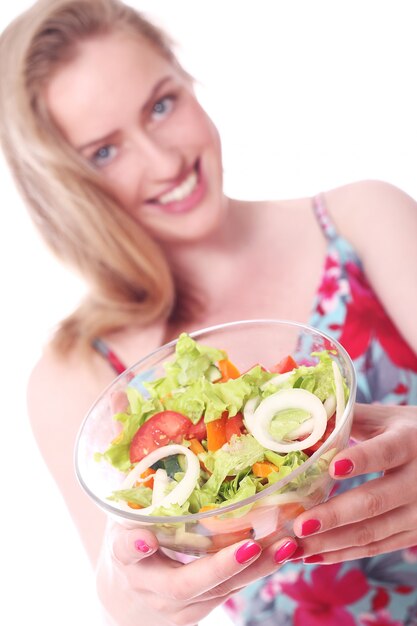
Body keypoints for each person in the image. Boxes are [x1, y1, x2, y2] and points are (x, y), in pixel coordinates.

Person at [1, 1, 417, 625]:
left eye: (161, 105)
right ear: (64, 186)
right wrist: (134, 592)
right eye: (104, 152)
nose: (165, 162)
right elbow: (134, 604)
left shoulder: (363, 218)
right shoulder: (75, 375)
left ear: (186, 79)